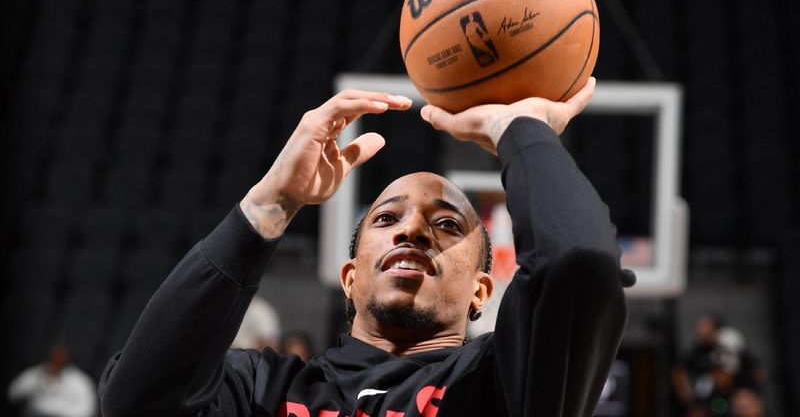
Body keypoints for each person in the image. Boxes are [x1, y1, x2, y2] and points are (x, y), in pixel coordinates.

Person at [99, 81, 632, 417]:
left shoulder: (503, 382)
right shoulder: (262, 388)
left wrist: (518, 129)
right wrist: (272, 203)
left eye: (447, 224)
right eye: (386, 217)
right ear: (350, 278)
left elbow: (580, 265)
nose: (413, 230)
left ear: (481, 290)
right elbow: (135, 401)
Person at [8, 344, 97, 417]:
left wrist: (56, 411)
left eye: (61, 357)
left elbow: (86, 411)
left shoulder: (80, 381)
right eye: (55, 356)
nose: (57, 360)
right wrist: (39, 382)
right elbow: (13, 394)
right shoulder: (36, 374)